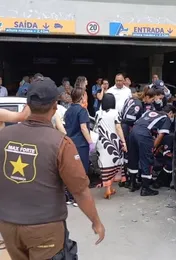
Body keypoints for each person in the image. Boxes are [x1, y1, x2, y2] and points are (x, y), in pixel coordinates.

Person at [0, 77, 105, 260]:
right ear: (55, 107)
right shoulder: (60, 143)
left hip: (8, 226)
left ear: (28, 104)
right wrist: (96, 221)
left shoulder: (4, 136)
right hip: (45, 229)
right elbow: (80, 191)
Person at [127, 105, 176, 196]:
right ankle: (145, 189)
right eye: (173, 115)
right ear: (170, 113)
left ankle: (132, 184)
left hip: (133, 131)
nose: (172, 117)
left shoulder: (149, 112)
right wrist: (152, 147)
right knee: (147, 160)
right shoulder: (166, 118)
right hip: (143, 134)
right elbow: (161, 135)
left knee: (133, 157)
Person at [118, 88, 156, 188]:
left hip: (124, 127)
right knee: (129, 155)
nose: (152, 103)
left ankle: (128, 180)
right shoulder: (138, 104)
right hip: (128, 129)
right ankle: (128, 180)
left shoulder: (131, 99)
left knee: (128, 155)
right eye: (152, 100)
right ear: (147, 97)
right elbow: (131, 119)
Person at [64, 87, 95, 205]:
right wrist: (90, 142)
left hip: (70, 143)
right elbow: (83, 128)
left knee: (72, 171)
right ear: (82, 97)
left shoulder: (68, 110)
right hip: (81, 144)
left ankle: (71, 196)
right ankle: (79, 197)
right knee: (82, 171)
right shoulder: (82, 111)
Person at [95, 93, 127, 199]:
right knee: (114, 165)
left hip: (102, 143)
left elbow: (96, 128)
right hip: (114, 142)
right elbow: (118, 127)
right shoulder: (115, 113)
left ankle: (108, 188)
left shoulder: (97, 113)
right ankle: (109, 188)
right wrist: (123, 141)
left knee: (105, 166)